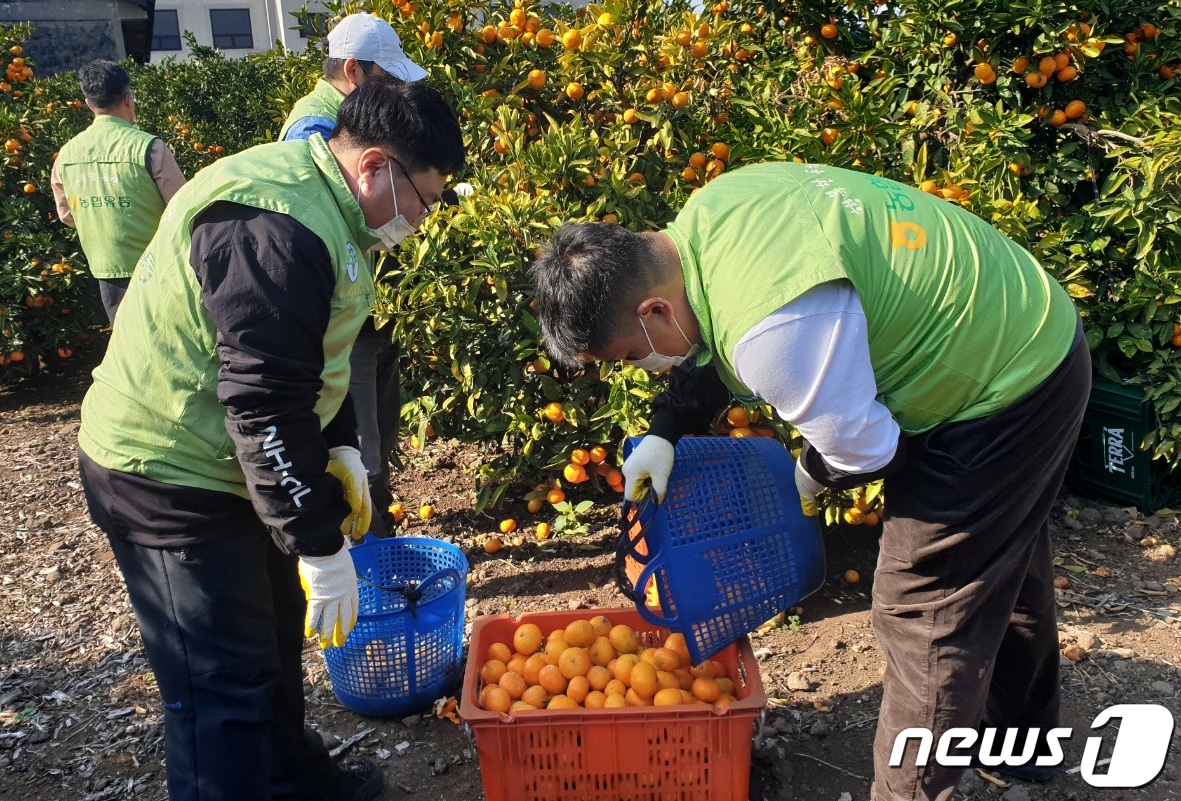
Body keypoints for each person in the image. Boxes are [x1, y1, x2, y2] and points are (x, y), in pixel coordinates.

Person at [529, 161, 1090, 801]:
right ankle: (1023, 746)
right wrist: (666, 427)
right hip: (1020, 318)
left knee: (923, 606)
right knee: (997, 552)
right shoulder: (709, 218)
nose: (648, 367)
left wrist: (807, 479)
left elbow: (866, 450)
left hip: (1007, 382)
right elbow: (712, 332)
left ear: (654, 307)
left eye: (634, 354)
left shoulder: (773, 329)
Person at [76, 76, 464, 801]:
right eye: (426, 197)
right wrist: (317, 543)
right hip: (168, 470)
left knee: (275, 640)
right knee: (221, 680)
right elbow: (260, 404)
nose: (423, 216)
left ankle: (291, 777)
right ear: (377, 165)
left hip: (236, 460)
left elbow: (316, 352)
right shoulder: (275, 228)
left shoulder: (333, 205)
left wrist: (342, 442)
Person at [280, 13, 429, 535]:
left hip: (364, 298)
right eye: (386, 79)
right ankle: (364, 538)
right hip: (340, 309)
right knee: (355, 429)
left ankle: (373, 516)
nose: (396, 92)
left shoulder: (348, 120)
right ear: (352, 70)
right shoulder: (315, 130)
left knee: (375, 422)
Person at [51, 59, 186, 324]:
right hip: (157, 267)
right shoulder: (150, 148)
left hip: (107, 269)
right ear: (128, 98)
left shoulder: (66, 155)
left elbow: (67, 215)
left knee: (127, 346)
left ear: (89, 104)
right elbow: (182, 207)